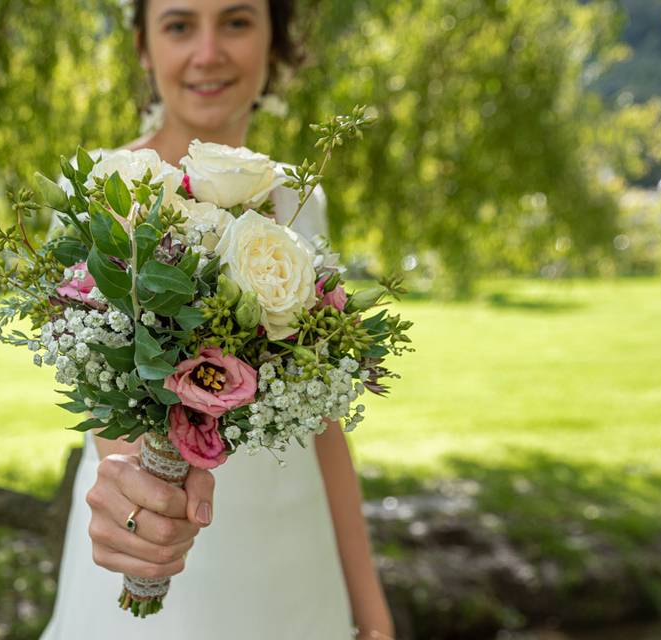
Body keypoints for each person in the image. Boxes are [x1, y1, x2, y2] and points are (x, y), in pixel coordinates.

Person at [41, 1, 395, 638]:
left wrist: (372, 614)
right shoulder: (98, 191)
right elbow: (107, 405)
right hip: (164, 548)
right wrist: (140, 508)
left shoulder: (298, 199)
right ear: (145, 48)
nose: (208, 53)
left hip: (298, 557)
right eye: (179, 26)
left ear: (273, 39)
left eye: (236, 21)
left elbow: (326, 426)